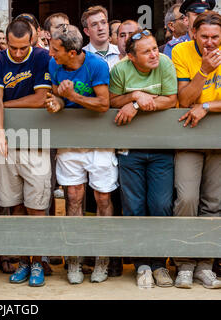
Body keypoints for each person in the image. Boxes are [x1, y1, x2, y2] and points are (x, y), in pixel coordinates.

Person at [46, 24, 116, 285]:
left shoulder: (97, 65)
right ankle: (73, 260)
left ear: (72, 52)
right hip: (70, 140)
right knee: (73, 197)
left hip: (99, 140)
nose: (51, 53)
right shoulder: (55, 65)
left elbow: (103, 103)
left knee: (102, 197)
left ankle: (102, 259)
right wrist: (58, 101)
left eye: (56, 49)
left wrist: (72, 94)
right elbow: (58, 96)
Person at [109, 30, 177, 289]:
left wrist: (136, 105)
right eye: (146, 51)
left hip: (161, 147)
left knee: (160, 204)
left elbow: (172, 100)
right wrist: (135, 95)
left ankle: (160, 263)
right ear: (130, 56)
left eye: (155, 48)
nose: (154, 54)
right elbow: (112, 100)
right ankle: (142, 265)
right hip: (129, 148)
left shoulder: (165, 63)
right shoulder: (120, 69)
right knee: (134, 206)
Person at [0, 18, 52, 287]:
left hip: (36, 139)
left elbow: (41, 98)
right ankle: (23, 260)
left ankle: (37, 261)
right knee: (15, 204)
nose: (16, 53)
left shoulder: (41, 56)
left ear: (32, 40)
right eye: (12, 47)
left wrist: (7, 105)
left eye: (22, 48)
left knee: (36, 204)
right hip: (8, 143)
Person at [171, 11, 221, 289]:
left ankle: (206, 264)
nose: (210, 43)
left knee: (213, 203)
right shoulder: (181, 52)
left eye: (215, 37)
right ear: (193, 34)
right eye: (204, 37)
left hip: (218, 138)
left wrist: (206, 106)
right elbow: (183, 99)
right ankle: (184, 263)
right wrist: (204, 71)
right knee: (187, 199)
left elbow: (196, 103)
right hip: (188, 135)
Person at [82, 6, 120, 70]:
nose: (100, 28)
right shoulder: (81, 57)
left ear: (108, 25)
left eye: (103, 22)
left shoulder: (121, 53)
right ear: (87, 31)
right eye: (94, 24)